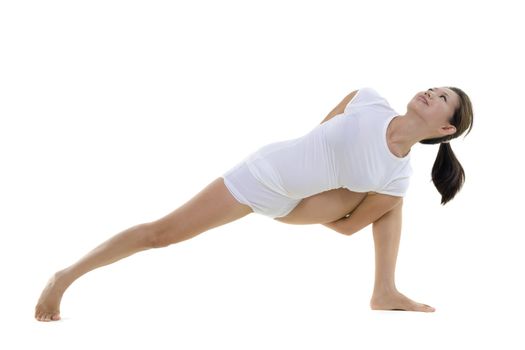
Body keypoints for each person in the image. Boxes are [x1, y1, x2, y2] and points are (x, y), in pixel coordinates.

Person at [35, 86, 474, 321]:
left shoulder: (397, 174)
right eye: (433, 87)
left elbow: (345, 228)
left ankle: (383, 290)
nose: (430, 93)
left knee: (395, 194)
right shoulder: (367, 100)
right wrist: (338, 184)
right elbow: (315, 138)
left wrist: (345, 194)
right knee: (161, 235)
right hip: (262, 176)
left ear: (447, 128)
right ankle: (64, 277)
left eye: (442, 100)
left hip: (299, 206)